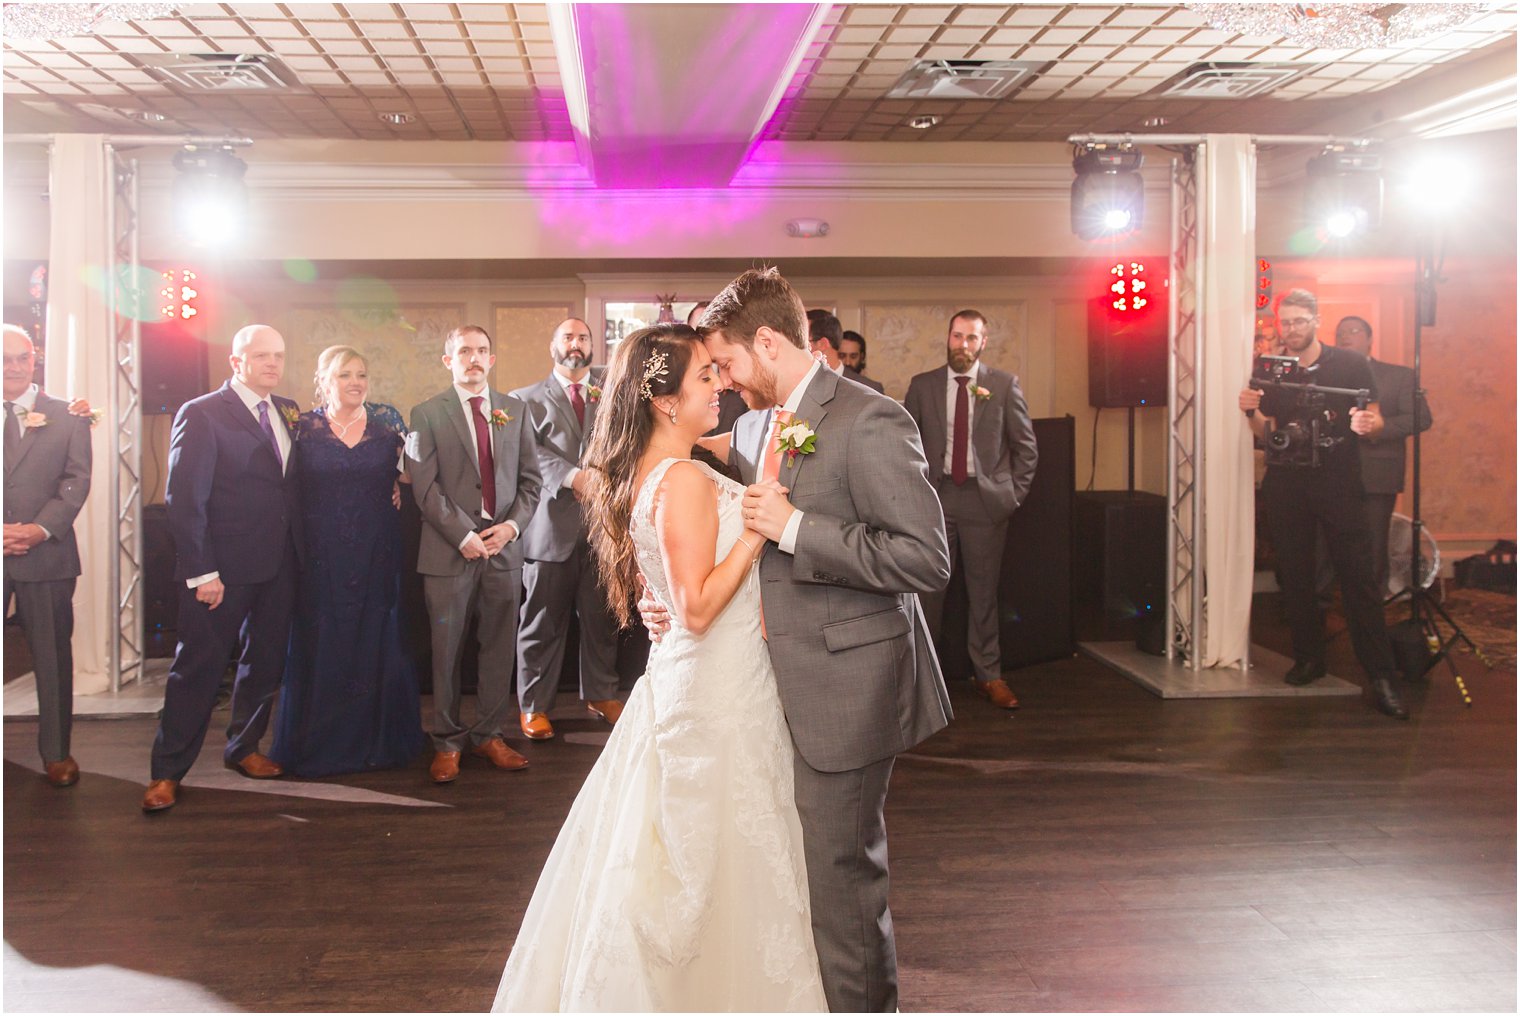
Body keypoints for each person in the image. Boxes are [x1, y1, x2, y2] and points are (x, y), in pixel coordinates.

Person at [493, 323, 827, 1011]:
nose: (721, 386)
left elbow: (668, 583)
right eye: (706, 377)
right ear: (665, 401)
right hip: (714, 685)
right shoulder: (682, 480)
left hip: (705, 679)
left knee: (700, 852)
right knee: (714, 857)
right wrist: (761, 535)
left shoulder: (665, 465)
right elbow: (698, 607)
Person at [688, 269, 951, 1011]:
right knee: (794, 874)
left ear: (767, 343)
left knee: (842, 881)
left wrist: (800, 528)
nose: (729, 382)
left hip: (846, 686)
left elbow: (924, 559)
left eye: (731, 363)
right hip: (768, 686)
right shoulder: (747, 425)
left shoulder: (873, 419)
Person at [144, 325, 304, 813]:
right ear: (236, 361)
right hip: (220, 572)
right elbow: (184, 499)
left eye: (278, 355)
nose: (272, 364)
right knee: (197, 670)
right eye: (261, 356)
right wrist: (201, 572)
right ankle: (167, 772)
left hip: (280, 565)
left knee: (264, 665)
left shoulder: (286, 409)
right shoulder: (202, 412)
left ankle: (243, 749)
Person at [1237, 290, 1408, 719]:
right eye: (1285, 322)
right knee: (1295, 575)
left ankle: (1381, 675)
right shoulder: (1272, 367)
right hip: (1288, 484)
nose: (1290, 330)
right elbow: (1268, 432)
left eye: (1298, 321)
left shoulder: (1349, 364)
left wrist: (1370, 423)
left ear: (1315, 320)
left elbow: (1369, 416)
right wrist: (1250, 412)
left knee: (1358, 577)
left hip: (1338, 483)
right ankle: (1309, 659)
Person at [268, 345, 427, 777]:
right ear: (324, 380)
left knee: (375, 639)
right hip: (320, 557)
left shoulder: (387, 432)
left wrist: (397, 483)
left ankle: (377, 742)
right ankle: (321, 742)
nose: (355, 382)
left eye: (360, 374)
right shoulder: (299, 429)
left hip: (377, 553)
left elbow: (411, 477)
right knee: (323, 640)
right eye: (344, 375)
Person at [407, 325, 542, 784]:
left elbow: (531, 483)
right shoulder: (426, 413)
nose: (474, 358)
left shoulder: (515, 410)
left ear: (492, 358)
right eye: (464, 351)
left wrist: (510, 527)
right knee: (446, 652)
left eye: (482, 351)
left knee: (499, 647)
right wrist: (462, 534)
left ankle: (489, 735)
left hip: (504, 551)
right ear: (448, 360)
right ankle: (446, 741)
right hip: (449, 553)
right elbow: (424, 487)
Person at [904, 309, 1038, 710]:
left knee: (983, 594)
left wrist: (1010, 497)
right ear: (947, 338)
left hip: (985, 503)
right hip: (936, 499)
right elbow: (903, 446)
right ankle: (922, 680)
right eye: (958, 336)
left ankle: (989, 675)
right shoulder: (923, 386)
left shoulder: (1003, 384)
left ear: (983, 343)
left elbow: (1025, 450)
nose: (963, 344)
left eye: (972, 338)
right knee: (928, 592)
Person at [510, 318, 622, 740]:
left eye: (584, 338)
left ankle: (601, 692)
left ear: (593, 346)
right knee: (541, 622)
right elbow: (528, 453)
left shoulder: (611, 393)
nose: (577, 344)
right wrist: (573, 477)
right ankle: (534, 706)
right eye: (568, 337)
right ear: (553, 346)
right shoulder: (524, 400)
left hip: (600, 528)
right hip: (549, 531)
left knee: (601, 619)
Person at [3, 324, 91, 788]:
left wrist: (38, 530)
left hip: (47, 554)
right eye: (4, 358)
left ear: (34, 360)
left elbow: (76, 481)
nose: (13, 366)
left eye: (21, 357)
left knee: (52, 656)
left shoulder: (69, 415)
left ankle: (56, 752)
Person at [1319, 315, 1433, 597]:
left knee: (1372, 544)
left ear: (1370, 339)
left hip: (1377, 474)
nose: (1345, 336)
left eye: (1354, 331)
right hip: (1329, 474)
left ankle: (1373, 609)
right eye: (1340, 332)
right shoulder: (1324, 377)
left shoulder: (1399, 376)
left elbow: (1421, 418)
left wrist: (1380, 428)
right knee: (1323, 546)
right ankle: (1325, 610)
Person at [808, 310, 884, 393]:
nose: (798, 348)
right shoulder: (800, 384)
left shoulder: (870, 389)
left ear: (822, 344)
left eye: (803, 341)